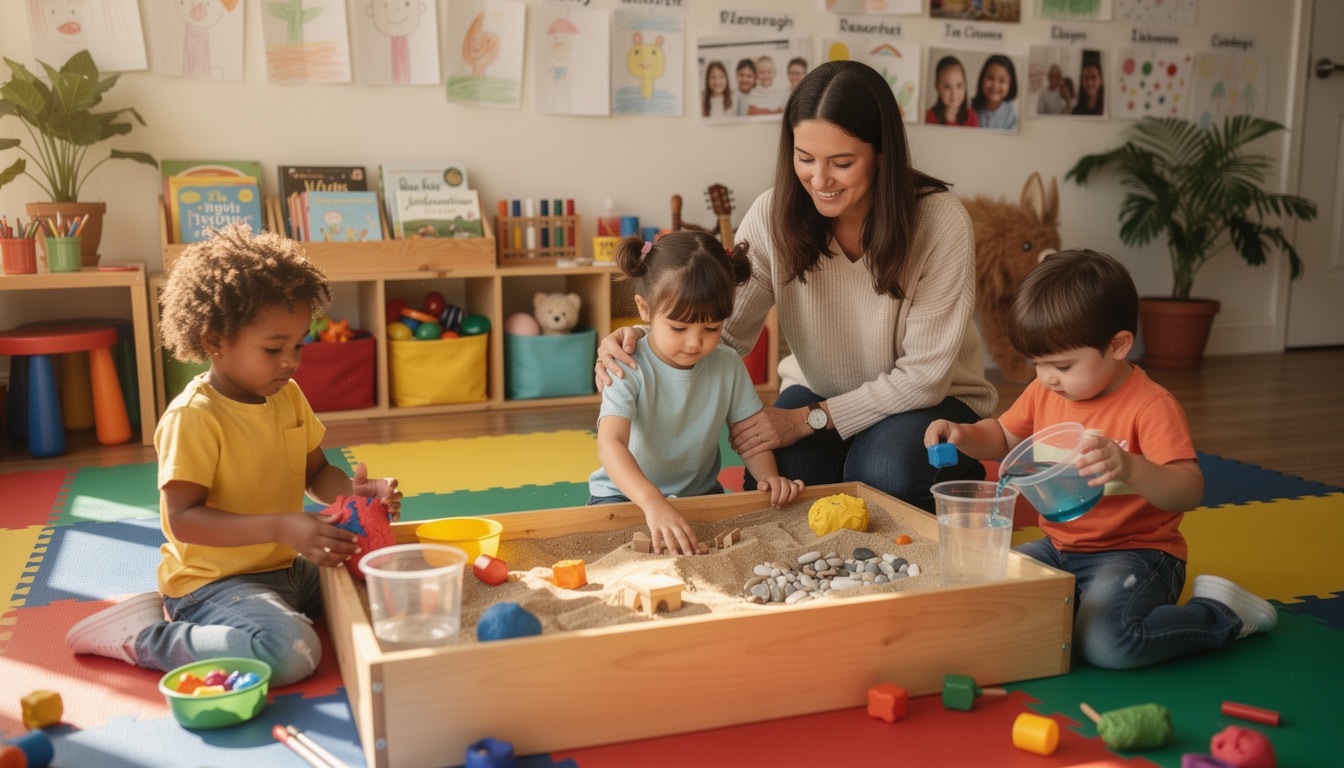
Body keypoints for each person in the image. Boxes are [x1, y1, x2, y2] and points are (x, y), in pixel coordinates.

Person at [598, 60, 995, 512]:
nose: (819, 181)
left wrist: (811, 419)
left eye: (841, 163)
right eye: (805, 159)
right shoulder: (773, 216)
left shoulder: (941, 223)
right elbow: (716, 330)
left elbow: (923, 378)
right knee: (776, 477)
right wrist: (639, 345)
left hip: (929, 399)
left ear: (882, 151)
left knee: (885, 473)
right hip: (820, 390)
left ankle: (956, 470)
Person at [65, 224, 403, 686]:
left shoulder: (288, 396)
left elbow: (317, 472)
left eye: (298, 345)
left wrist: (356, 494)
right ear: (214, 340)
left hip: (284, 568)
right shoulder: (194, 417)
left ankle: (279, 611)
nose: (290, 361)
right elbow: (183, 519)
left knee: (384, 585)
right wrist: (282, 525)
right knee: (291, 653)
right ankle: (145, 636)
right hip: (213, 585)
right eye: (273, 348)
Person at [924, 250, 1276, 669]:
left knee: (1109, 643)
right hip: (1059, 547)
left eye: (1062, 365)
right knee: (987, 596)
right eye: (1037, 364)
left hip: (1137, 554)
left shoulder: (1150, 406)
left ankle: (1220, 613)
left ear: (1118, 345)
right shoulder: (1046, 391)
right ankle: (1077, 608)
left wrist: (1131, 467)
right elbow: (1002, 437)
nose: (1047, 377)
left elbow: (1189, 489)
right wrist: (964, 435)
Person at [589, 232, 805, 555]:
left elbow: (750, 433)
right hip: (625, 496)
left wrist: (769, 479)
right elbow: (610, 444)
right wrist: (652, 503)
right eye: (679, 328)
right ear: (644, 309)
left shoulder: (728, 365)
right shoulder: (627, 364)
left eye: (711, 329)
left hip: (701, 496)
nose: (694, 342)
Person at [925, 55, 979, 127]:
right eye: (947, 87)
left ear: (965, 85)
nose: (954, 94)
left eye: (959, 85)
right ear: (937, 87)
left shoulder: (972, 117)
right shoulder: (928, 117)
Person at [972, 54, 1018, 130]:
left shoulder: (1013, 112)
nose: (995, 86)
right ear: (982, 79)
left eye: (1002, 81)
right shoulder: (972, 109)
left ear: (1011, 85)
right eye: (990, 78)